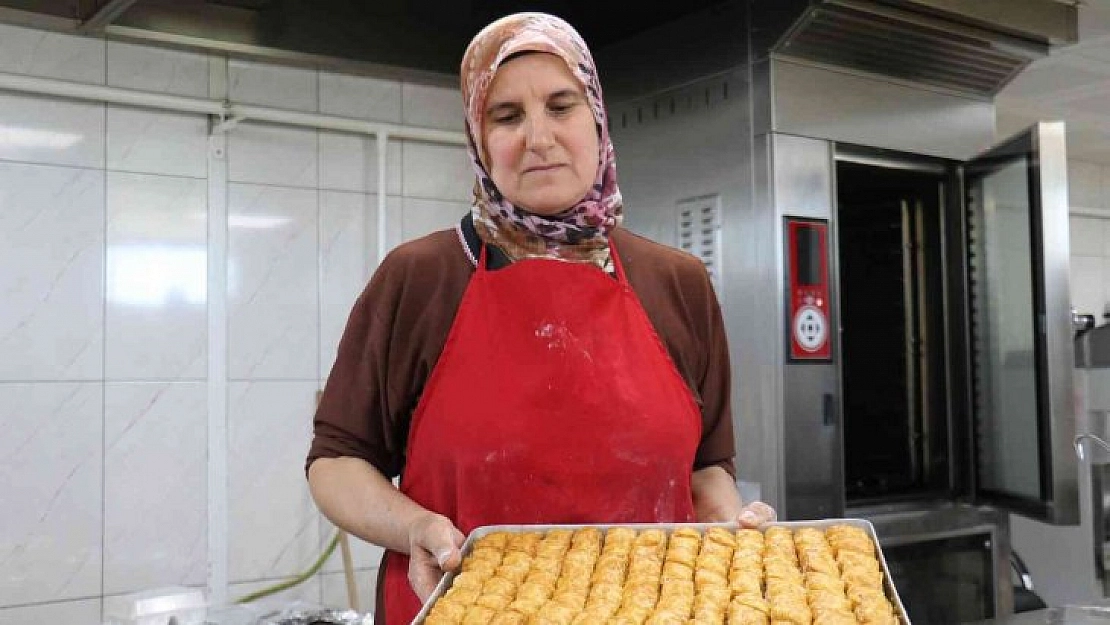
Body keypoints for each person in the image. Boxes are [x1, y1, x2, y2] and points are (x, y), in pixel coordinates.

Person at [306, 12, 776, 624]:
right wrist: (413, 526)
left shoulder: (677, 283)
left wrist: (729, 531)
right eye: (507, 116)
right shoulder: (420, 277)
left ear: (598, 118)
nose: (539, 137)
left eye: (561, 106)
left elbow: (707, 469)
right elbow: (337, 460)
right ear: (479, 138)